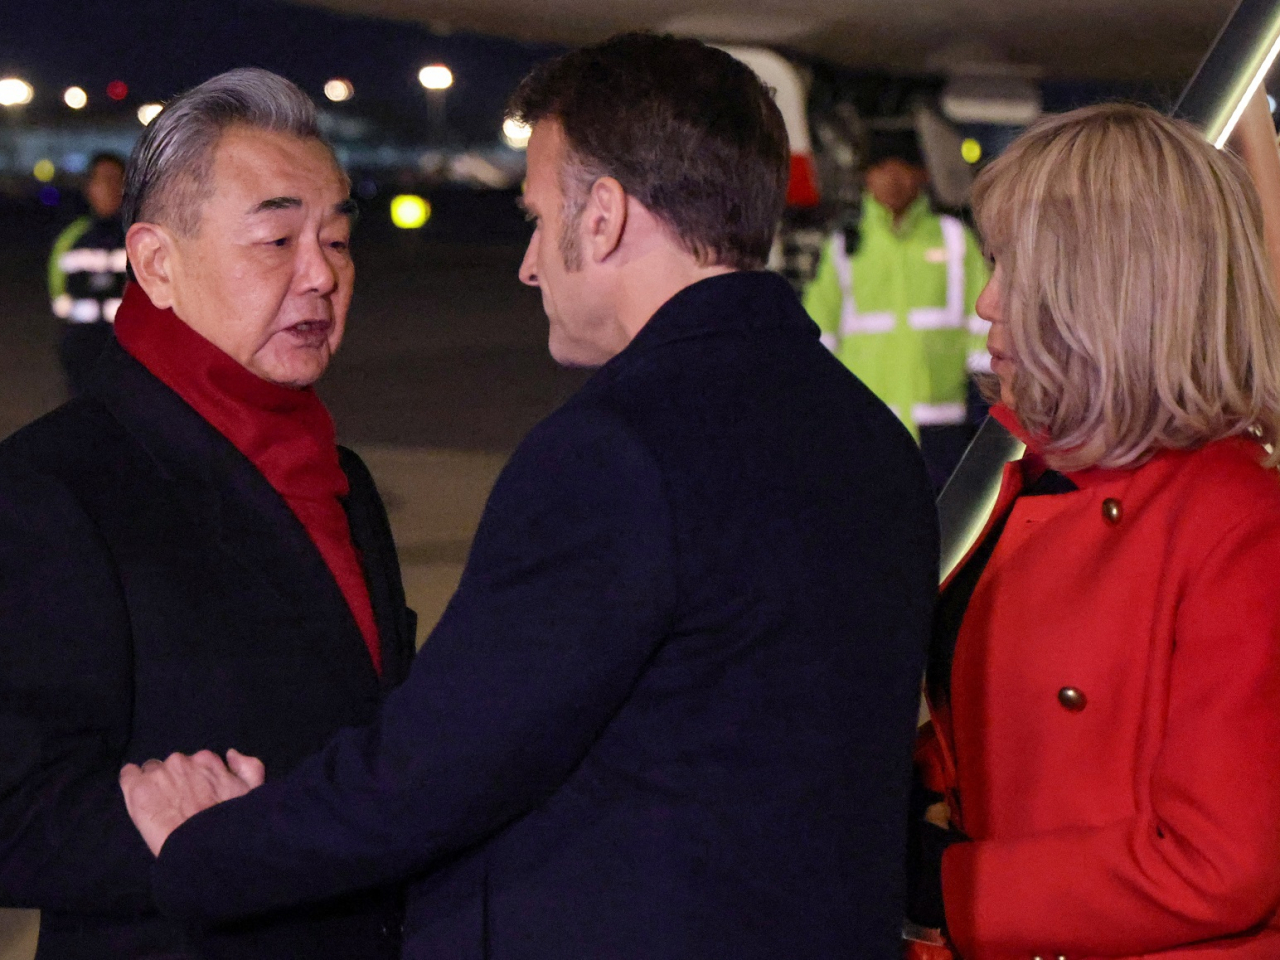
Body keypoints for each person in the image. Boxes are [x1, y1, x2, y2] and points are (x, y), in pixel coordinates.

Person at [119, 33, 940, 960]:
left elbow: (433, 772)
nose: (527, 264)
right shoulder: (872, 435)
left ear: (603, 221)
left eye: (538, 218)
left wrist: (199, 850)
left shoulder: (620, 450)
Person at [0, 69, 416, 958]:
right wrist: (182, 834)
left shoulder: (337, 476)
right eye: (276, 241)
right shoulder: (52, 488)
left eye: (338, 241)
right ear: (156, 262)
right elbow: (15, 813)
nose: (322, 277)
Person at [907, 103, 1280, 958]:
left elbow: (1218, 863)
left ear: (1110, 288)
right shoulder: (1036, 486)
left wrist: (952, 886)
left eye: (1014, 268)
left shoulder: (1240, 527)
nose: (986, 304)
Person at [803, 129, 990, 490]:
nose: (891, 177)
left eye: (902, 166)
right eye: (879, 167)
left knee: (946, 532)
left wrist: (989, 405)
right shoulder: (845, 247)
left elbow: (983, 323)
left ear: (922, 173)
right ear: (866, 177)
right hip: (868, 423)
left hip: (942, 424)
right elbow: (818, 334)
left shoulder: (954, 238)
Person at [48, 152, 127, 395]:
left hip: (129, 350)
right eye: (102, 181)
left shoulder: (139, 236)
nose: (109, 188)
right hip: (81, 348)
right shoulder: (71, 238)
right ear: (89, 188)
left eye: (116, 180)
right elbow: (57, 291)